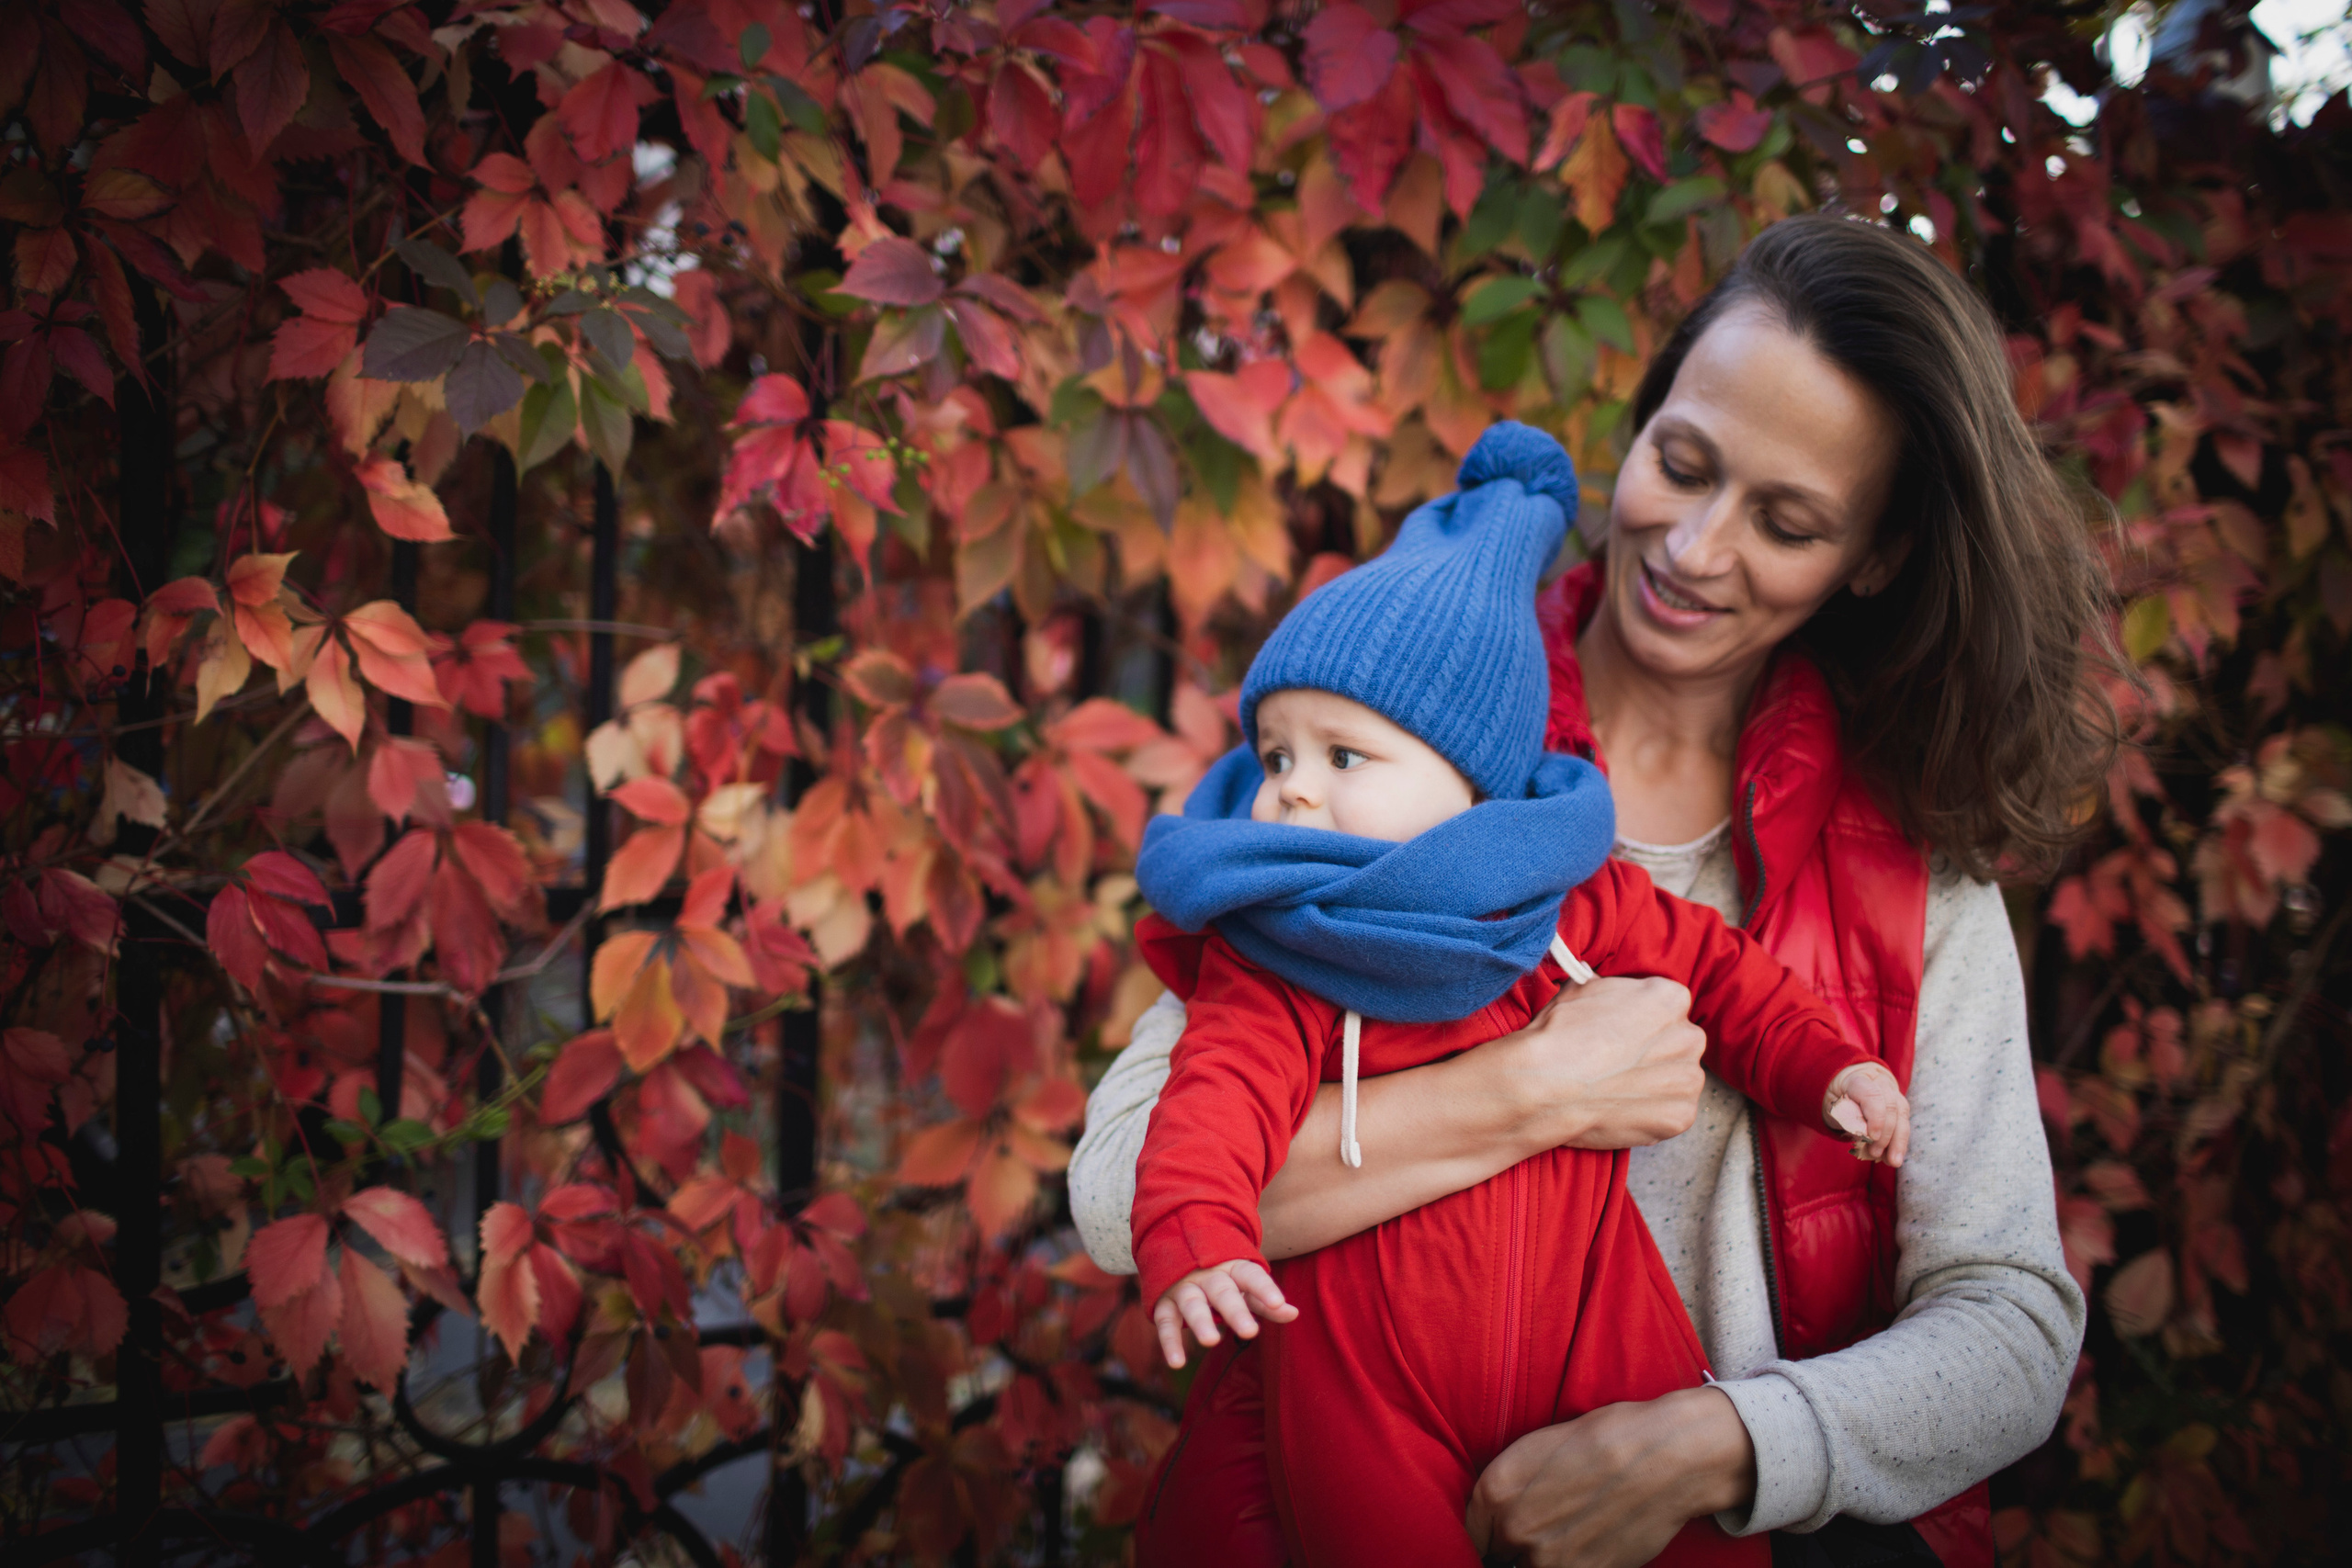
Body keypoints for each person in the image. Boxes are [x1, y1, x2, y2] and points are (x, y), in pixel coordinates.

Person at [1071, 212, 2106, 1568]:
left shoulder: (1909, 874)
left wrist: (1710, 1446)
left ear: (1875, 555)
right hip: (1355, 1496)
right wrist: (1534, 1091)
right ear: (1643, 423)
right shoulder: (1391, 749)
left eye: (1787, 523)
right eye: (1682, 465)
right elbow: (1118, 1192)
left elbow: (2010, 1320)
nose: (1695, 547)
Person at [1125, 423, 1911, 1568]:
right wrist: (1198, 1238)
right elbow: (1214, 1100)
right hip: (1365, 1371)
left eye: (1343, 758)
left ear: (1473, 788)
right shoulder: (1284, 943)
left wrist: (1825, 1066)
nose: (1290, 794)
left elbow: (1722, 973)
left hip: (1590, 1324)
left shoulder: (1563, 902)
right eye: (1277, 754)